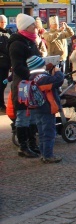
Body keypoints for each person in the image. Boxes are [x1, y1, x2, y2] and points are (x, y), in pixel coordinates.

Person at [8, 14, 41, 158]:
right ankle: (23, 146)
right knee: (22, 115)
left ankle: (33, 143)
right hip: (22, 84)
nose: (36, 27)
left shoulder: (31, 42)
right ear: (25, 27)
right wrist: (30, 75)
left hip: (34, 82)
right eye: (33, 25)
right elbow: (17, 66)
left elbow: (38, 58)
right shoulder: (17, 44)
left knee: (33, 115)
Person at [28, 56, 65, 163]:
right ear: (40, 65)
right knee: (49, 132)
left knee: (42, 132)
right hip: (46, 108)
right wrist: (57, 71)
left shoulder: (32, 77)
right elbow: (58, 80)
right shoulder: (42, 78)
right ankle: (48, 156)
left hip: (37, 108)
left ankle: (44, 154)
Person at [0, 15, 11, 113]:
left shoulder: (7, 33)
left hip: (6, 64)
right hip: (1, 63)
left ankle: (1, 103)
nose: (4, 24)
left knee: (3, 84)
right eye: (2, 22)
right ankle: (1, 105)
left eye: (5, 22)